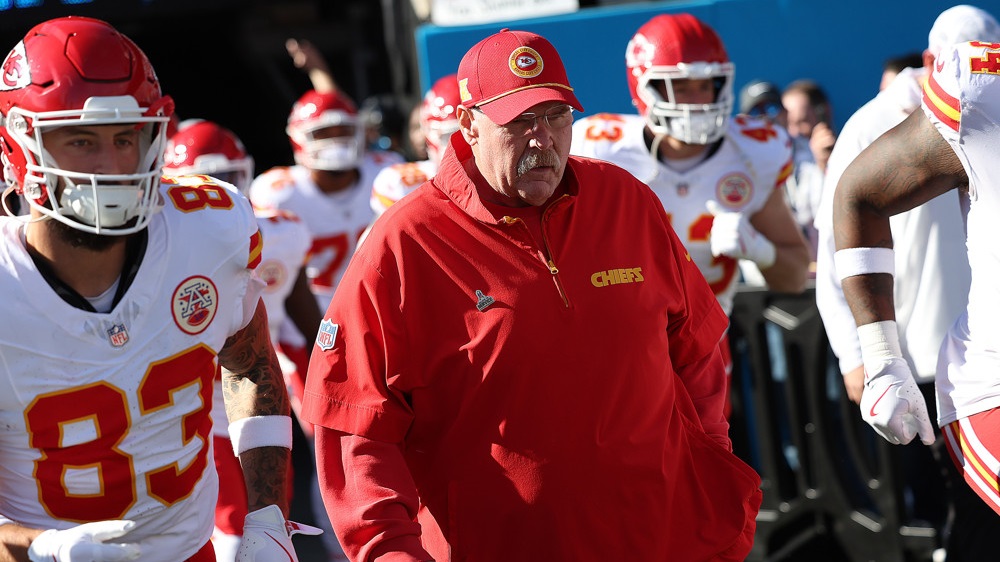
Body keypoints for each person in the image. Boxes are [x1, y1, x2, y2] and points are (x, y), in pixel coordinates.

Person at [300, 28, 763, 561]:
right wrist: (391, 552)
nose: (542, 139)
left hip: (658, 539)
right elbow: (354, 423)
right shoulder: (404, 244)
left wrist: (708, 465)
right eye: (519, 121)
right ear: (469, 125)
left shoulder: (625, 200)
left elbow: (698, 347)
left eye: (555, 116)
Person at [0, 16, 318, 561]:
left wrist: (267, 515)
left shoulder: (209, 227)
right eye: (80, 139)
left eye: (127, 137)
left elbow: (251, 365)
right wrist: (40, 549)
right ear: (19, 146)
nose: (114, 165)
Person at [825, 6, 1000, 560]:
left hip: (957, 342)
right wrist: (869, 355)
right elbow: (848, 212)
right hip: (949, 362)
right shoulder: (975, 92)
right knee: (952, 517)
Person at [162, 119, 324, 561]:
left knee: (274, 521)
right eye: (205, 182)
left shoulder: (281, 233)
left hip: (257, 388)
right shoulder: (153, 248)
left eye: (230, 179)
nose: (217, 196)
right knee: (230, 527)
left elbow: (301, 313)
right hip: (191, 399)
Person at [367, 73, 460, 225]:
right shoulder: (402, 183)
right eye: (452, 135)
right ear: (428, 134)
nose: (469, 142)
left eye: (476, 133)